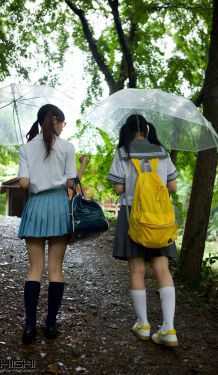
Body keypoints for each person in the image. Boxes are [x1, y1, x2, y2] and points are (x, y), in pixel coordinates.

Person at [17, 104, 89, 345]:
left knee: (34, 269)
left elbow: (24, 183)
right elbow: (70, 183)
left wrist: (33, 171)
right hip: (59, 207)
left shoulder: (26, 148)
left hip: (36, 207)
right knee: (55, 270)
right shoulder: (67, 147)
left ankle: (29, 328)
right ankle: (49, 325)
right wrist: (81, 168)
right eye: (62, 122)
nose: (62, 127)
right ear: (56, 120)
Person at [107, 114, 179, 347]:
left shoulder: (123, 153)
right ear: (147, 131)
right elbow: (172, 186)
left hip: (132, 216)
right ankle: (169, 329)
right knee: (162, 268)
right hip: (159, 217)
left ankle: (144, 324)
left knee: (137, 269)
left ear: (127, 132)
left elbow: (118, 187)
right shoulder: (161, 151)